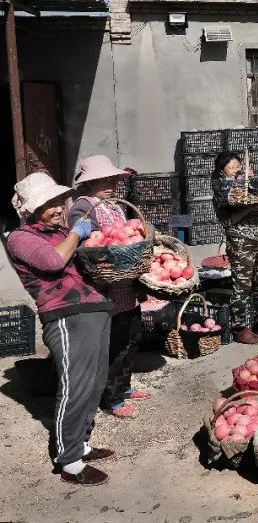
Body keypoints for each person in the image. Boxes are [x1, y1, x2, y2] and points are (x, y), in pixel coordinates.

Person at [7, 172, 114, 485]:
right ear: (31, 210)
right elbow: (53, 263)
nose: (57, 208)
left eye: (58, 201)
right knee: (75, 384)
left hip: (95, 309)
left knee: (95, 383)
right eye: (47, 204)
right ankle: (68, 462)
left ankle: (80, 443)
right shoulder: (21, 238)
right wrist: (78, 234)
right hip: (65, 315)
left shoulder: (63, 231)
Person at [66, 156, 150, 419]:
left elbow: (127, 234)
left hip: (127, 284)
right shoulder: (83, 208)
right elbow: (89, 248)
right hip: (105, 286)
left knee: (132, 339)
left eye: (112, 180)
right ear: (90, 182)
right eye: (104, 180)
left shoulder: (115, 206)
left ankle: (123, 387)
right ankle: (110, 398)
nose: (110, 184)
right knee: (113, 347)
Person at [213, 151, 258, 345]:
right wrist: (251, 207)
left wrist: (255, 187)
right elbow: (230, 221)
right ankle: (239, 328)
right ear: (222, 172)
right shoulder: (222, 192)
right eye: (231, 167)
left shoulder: (247, 185)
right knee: (242, 285)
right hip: (241, 242)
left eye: (238, 166)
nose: (236, 170)